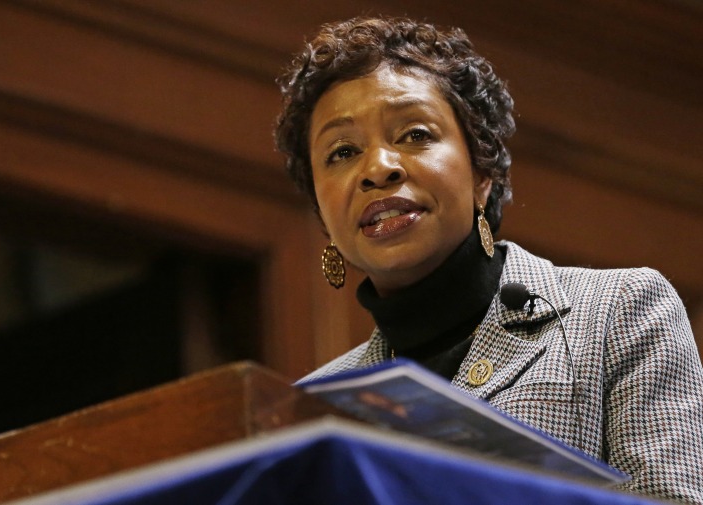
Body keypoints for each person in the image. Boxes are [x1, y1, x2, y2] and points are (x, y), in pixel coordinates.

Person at [274, 16, 703, 504]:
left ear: (483, 171)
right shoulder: (307, 409)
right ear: (323, 215)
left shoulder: (617, 312)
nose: (378, 169)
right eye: (343, 151)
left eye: (414, 134)